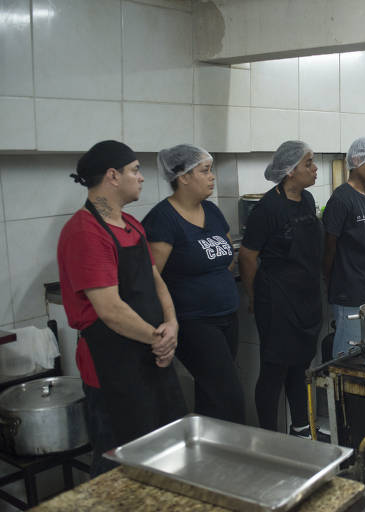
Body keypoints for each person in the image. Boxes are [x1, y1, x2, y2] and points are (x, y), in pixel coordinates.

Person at [57, 140, 186, 476]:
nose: (141, 177)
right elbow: (110, 309)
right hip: (111, 364)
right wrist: (158, 338)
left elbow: (155, 279)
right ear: (113, 176)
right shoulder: (85, 233)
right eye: (135, 170)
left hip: (150, 353)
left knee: (164, 445)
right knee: (119, 460)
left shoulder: (131, 225)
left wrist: (171, 325)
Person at [142, 144, 244, 424]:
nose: (212, 177)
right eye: (205, 171)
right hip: (194, 322)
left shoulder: (211, 211)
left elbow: (226, 256)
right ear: (183, 176)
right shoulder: (163, 219)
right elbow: (152, 277)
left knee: (212, 394)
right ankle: (237, 459)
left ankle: (210, 459)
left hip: (226, 316)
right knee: (229, 396)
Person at [239, 141, 328, 441]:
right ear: (290, 172)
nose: (314, 169)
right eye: (309, 164)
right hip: (277, 301)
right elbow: (248, 256)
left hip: (306, 298)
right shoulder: (267, 209)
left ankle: (300, 429)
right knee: (274, 370)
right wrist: (254, 297)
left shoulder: (307, 200)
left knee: (299, 366)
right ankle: (269, 438)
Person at [323, 136, 365, 357]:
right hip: (350, 291)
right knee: (347, 355)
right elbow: (329, 245)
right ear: (357, 161)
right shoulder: (341, 199)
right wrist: (331, 280)